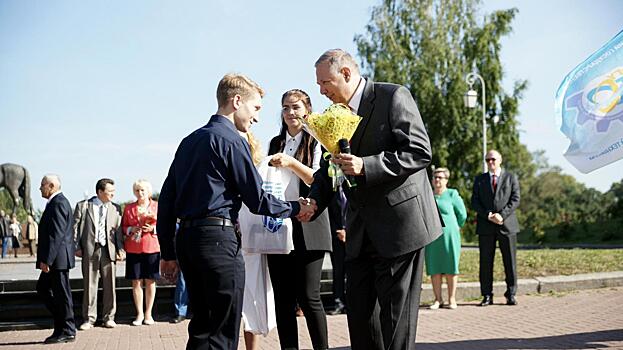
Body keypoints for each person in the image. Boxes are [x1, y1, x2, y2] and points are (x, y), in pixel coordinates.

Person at [157, 73, 315, 350]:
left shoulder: (188, 142)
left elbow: (167, 201)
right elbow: (258, 201)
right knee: (222, 330)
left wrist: (168, 253)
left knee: (201, 328)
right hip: (218, 241)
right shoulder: (232, 140)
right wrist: (295, 207)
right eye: (256, 109)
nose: (256, 118)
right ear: (237, 101)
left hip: (188, 243)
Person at [303, 49, 443, 350]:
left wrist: (367, 166)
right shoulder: (333, 116)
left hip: (400, 229)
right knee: (360, 318)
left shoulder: (393, 96)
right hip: (360, 233)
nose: (321, 90)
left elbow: (419, 151)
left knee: (395, 323)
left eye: (324, 82)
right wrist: (315, 200)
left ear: (346, 74)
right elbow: (331, 166)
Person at [267, 89, 332, 350]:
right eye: (285, 108)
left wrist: (291, 162)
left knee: (309, 297)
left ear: (307, 110)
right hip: (280, 224)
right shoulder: (275, 143)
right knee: (283, 299)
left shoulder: (317, 141)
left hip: (310, 223)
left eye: (295, 107)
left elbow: (317, 180)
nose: (290, 113)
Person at [73, 178, 124, 330]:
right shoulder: (83, 206)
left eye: (114, 192)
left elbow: (119, 231)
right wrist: (76, 247)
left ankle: (109, 317)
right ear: (100, 192)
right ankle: (89, 318)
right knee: (90, 284)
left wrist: (120, 249)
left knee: (110, 285)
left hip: (109, 250)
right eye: (110, 192)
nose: (113, 195)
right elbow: (74, 229)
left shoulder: (116, 208)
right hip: (90, 249)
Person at [471, 149, 520, 306]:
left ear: (500, 160)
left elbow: (515, 198)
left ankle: (511, 294)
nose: (490, 162)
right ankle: (487, 295)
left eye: (493, 159)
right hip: (486, 226)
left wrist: (502, 215)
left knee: (510, 262)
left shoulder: (511, 177)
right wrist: (488, 214)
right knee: (485, 262)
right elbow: (475, 201)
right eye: (487, 160)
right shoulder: (480, 179)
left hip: (507, 226)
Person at [36, 174, 76, 344]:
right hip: (55, 259)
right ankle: (61, 325)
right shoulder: (54, 202)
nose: (40, 188)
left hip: (57, 260)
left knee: (62, 295)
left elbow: (56, 235)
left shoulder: (59, 203)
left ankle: (67, 329)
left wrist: (48, 260)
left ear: (51, 186)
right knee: (43, 289)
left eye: (42, 184)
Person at [425, 167, 467, 310]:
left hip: (450, 236)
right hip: (432, 237)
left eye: (440, 177)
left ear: (446, 180)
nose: (437, 179)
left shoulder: (452, 194)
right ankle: (438, 299)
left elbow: (462, 214)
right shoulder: (427, 194)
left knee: (451, 266)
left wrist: (455, 227)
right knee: (434, 267)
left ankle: (451, 299)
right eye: (435, 177)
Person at [122, 179, 160, 326]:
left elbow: (163, 225)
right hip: (133, 248)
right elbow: (123, 227)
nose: (140, 193)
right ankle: (138, 314)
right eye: (137, 190)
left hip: (151, 246)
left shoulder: (157, 206)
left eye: (143, 190)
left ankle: (148, 314)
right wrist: (131, 229)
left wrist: (153, 229)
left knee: (150, 281)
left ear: (148, 191)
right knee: (136, 281)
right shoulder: (128, 208)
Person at [327, 186, 347, 315]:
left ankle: (352, 302)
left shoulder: (355, 190)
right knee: (338, 271)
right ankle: (338, 302)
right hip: (337, 236)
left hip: (355, 235)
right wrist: (338, 231)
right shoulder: (332, 191)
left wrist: (348, 231)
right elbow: (330, 215)